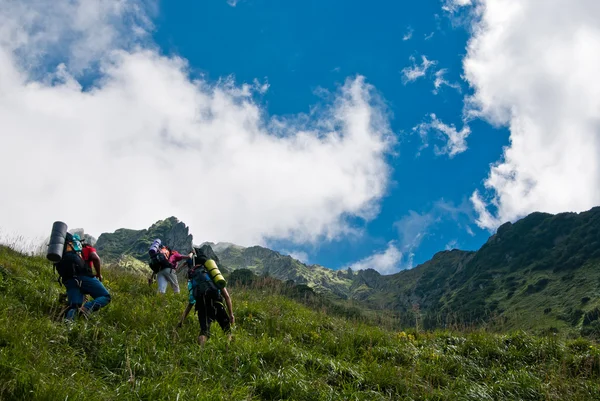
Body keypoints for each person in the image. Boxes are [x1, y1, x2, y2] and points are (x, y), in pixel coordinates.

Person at [179, 247, 234, 347]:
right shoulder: (212, 273)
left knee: (204, 332)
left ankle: (201, 353)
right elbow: (226, 296)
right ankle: (228, 349)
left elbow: (190, 303)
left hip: (201, 303)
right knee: (227, 330)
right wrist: (231, 314)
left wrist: (181, 320)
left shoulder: (192, 279)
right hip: (216, 301)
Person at [54, 233, 111, 321]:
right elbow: (95, 258)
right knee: (105, 296)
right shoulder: (87, 248)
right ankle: (86, 308)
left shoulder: (62, 252)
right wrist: (98, 274)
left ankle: (68, 327)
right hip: (84, 276)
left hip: (68, 279)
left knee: (74, 306)